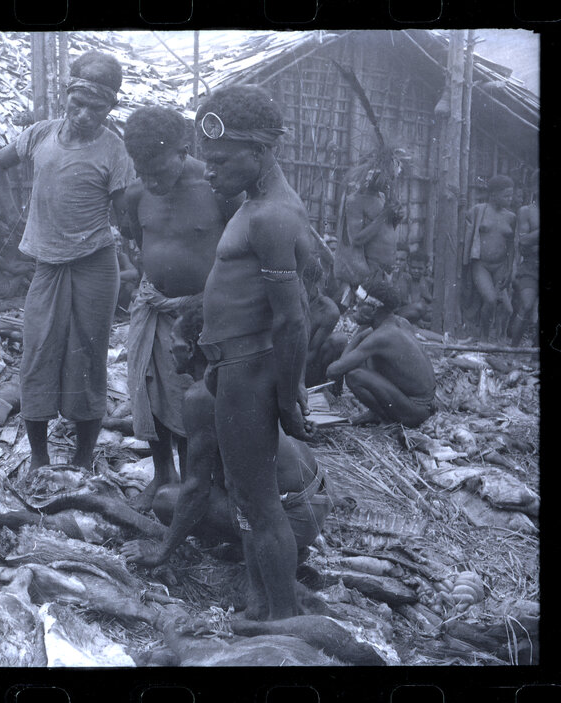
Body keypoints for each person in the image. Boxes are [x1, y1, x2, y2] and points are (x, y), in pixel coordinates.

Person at [194, 85, 315, 621]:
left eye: (220, 160)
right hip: (236, 363)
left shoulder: (270, 215)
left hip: (249, 369)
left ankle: (286, 624)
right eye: (207, 160)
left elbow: (295, 316)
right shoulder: (261, 205)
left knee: (260, 503)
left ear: (260, 153)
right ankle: (262, 603)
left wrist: (288, 394)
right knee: (248, 497)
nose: (209, 172)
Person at [0, 50, 134, 472]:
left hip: (95, 263)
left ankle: (84, 459)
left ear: (111, 107)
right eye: (78, 103)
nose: (86, 114)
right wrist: (10, 213)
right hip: (47, 266)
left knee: (88, 356)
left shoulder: (114, 150)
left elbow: (124, 213)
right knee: (37, 352)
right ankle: (39, 458)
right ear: (66, 95)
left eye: (98, 107)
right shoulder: (39, 135)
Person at [121, 303, 331, 597]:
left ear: (193, 347)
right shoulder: (241, 370)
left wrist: (162, 550)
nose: (170, 351)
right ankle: (266, 546)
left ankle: (267, 549)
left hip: (292, 514)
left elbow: (196, 489)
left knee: (167, 499)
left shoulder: (201, 396)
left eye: (174, 344)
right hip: (313, 499)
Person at [120, 105, 244, 510]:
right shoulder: (136, 194)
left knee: (198, 398)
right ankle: (162, 474)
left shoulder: (219, 191)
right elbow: (137, 240)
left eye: (160, 171)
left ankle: (198, 482)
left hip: (204, 314)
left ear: (183, 150)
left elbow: (239, 249)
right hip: (155, 307)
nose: (152, 182)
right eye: (143, 172)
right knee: (152, 390)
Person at [326, 281, 436, 428]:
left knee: (354, 376)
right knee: (366, 358)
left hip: (415, 412)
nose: (353, 308)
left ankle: (386, 419)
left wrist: (355, 339)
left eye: (359, 304)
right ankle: (378, 413)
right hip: (425, 407)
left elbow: (333, 371)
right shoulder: (400, 322)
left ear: (373, 309)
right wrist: (360, 334)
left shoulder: (382, 337)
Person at [333, 149, 407, 308]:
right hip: (370, 272)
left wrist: (396, 218)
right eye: (387, 177)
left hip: (386, 271)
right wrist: (383, 215)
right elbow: (357, 239)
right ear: (371, 175)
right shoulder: (355, 201)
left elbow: (384, 231)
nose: (389, 183)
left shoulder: (381, 198)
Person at [463, 175, 516, 340]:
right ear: (493, 194)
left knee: (507, 309)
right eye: (506, 195)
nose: (510, 199)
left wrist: (510, 268)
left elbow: (512, 246)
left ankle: (499, 339)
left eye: (511, 195)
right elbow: (466, 231)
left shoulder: (511, 217)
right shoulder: (478, 211)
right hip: (482, 265)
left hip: (501, 266)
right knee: (491, 300)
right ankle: (484, 337)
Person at [303, 259, 345, 389]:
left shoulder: (328, 310)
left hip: (304, 367)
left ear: (308, 281)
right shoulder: (286, 299)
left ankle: (323, 383)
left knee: (339, 340)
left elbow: (311, 351)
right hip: (278, 360)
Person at [508, 171, 538, 347]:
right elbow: (524, 240)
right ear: (534, 187)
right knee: (526, 306)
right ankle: (513, 350)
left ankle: (535, 356)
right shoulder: (526, 211)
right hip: (530, 266)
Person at [394, 249, 433, 328]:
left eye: (420, 268)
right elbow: (404, 302)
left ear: (425, 268)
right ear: (409, 266)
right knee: (419, 307)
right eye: (413, 268)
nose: (416, 271)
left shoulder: (427, 282)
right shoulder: (405, 278)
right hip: (403, 313)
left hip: (419, 314)